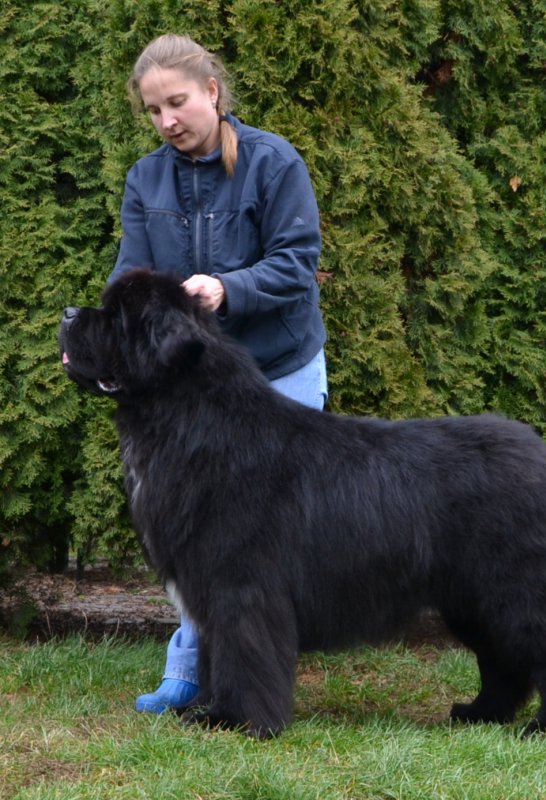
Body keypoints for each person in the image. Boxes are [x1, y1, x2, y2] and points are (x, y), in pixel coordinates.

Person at [109, 33, 328, 714]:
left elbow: (296, 263)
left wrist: (227, 289)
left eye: (176, 102)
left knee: (258, 544)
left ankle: (251, 683)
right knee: (195, 530)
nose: (167, 120)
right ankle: (191, 670)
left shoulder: (273, 161)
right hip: (197, 390)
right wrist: (109, 334)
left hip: (280, 370)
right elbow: (131, 277)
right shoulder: (146, 179)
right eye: (153, 110)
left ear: (211, 90)